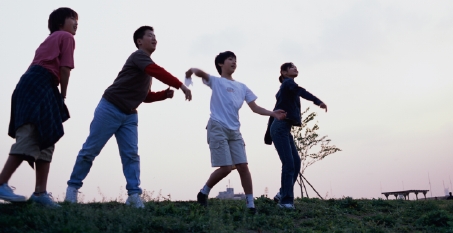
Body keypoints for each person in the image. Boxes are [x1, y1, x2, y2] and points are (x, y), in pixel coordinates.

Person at [65, 26, 191, 208]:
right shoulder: (139, 57)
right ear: (140, 41)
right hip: (110, 107)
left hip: (130, 115)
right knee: (90, 150)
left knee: (131, 155)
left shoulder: (147, 68)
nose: (154, 39)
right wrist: (180, 85)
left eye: (155, 36)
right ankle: (72, 189)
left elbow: (144, 96)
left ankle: (133, 195)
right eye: (150, 36)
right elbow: (157, 71)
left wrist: (163, 95)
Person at [0, 7, 79, 208]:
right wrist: (63, 94)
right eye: (72, 18)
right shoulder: (65, 37)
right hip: (40, 84)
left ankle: (40, 193)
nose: (76, 22)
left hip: (35, 85)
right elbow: (64, 69)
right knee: (31, 134)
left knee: (46, 138)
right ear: (60, 22)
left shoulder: (50, 39)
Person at [186, 51, 286, 213]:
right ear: (221, 64)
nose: (234, 62)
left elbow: (255, 108)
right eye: (230, 59)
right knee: (226, 168)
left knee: (243, 166)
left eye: (235, 60)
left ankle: (250, 204)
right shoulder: (216, 82)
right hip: (217, 127)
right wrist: (190, 71)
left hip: (235, 131)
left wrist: (273, 113)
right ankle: (203, 192)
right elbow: (200, 72)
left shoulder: (242, 87)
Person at [265, 63, 326, 210]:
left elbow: (276, 110)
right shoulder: (288, 84)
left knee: (296, 163)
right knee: (289, 164)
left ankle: (282, 193)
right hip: (280, 128)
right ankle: (286, 201)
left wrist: (269, 132)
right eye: (292, 67)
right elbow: (301, 91)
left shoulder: (285, 90)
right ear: (284, 72)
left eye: (296, 67)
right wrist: (318, 101)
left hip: (284, 129)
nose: (295, 68)